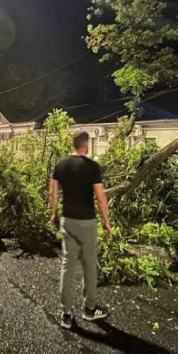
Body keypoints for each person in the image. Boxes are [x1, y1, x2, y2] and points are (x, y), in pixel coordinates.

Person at [49, 131, 112, 329]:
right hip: (87, 222)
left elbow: (53, 194)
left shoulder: (60, 164)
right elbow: (101, 197)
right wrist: (106, 221)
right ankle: (89, 310)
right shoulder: (92, 167)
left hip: (67, 221)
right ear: (86, 145)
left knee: (67, 266)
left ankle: (66, 314)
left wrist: (54, 214)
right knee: (89, 265)